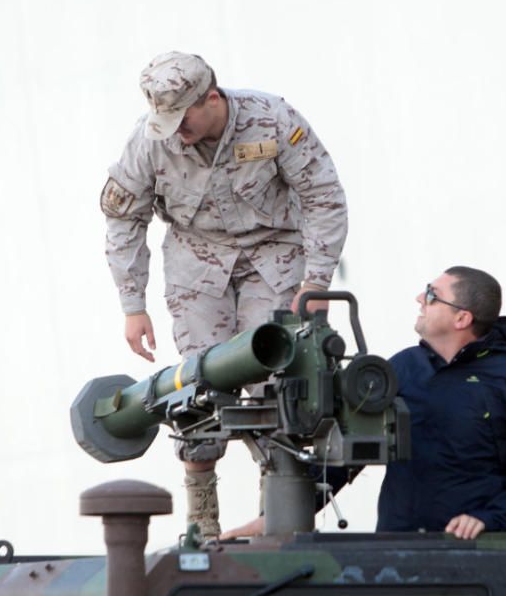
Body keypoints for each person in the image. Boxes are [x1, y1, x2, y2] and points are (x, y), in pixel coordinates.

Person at [101, 51, 347, 540]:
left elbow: (323, 196)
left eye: (183, 119)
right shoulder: (148, 141)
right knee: (196, 383)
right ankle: (202, 518)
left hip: (273, 256)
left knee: (278, 378)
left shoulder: (272, 119)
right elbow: (124, 218)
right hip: (197, 263)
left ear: (211, 98)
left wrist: (316, 282)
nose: (176, 133)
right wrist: (133, 305)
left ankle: (275, 515)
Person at [221, 266, 506, 540]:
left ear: (462, 318)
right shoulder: (402, 368)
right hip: (397, 553)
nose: (419, 298)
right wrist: (273, 519)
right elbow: (344, 455)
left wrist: (488, 519)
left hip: (479, 560)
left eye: (432, 295)